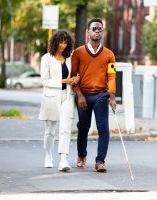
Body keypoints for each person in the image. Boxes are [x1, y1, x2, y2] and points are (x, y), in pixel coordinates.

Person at [71, 18, 116, 172]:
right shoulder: (78, 52)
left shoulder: (109, 55)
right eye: (94, 29)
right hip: (83, 94)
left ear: (102, 32)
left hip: (101, 95)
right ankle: (81, 155)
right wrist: (79, 95)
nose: (97, 31)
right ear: (88, 32)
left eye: (100, 29)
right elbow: (73, 75)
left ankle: (100, 161)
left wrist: (112, 97)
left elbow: (111, 76)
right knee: (83, 127)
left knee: (103, 128)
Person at [39, 30, 80, 172]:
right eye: (60, 42)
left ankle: (63, 159)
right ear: (55, 42)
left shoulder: (69, 58)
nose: (62, 45)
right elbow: (44, 80)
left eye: (65, 42)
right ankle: (48, 155)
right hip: (51, 97)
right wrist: (64, 80)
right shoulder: (46, 58)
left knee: (65, 129)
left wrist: (76, 78)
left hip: (67, 96)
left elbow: (77, 72)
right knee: (50, 131)